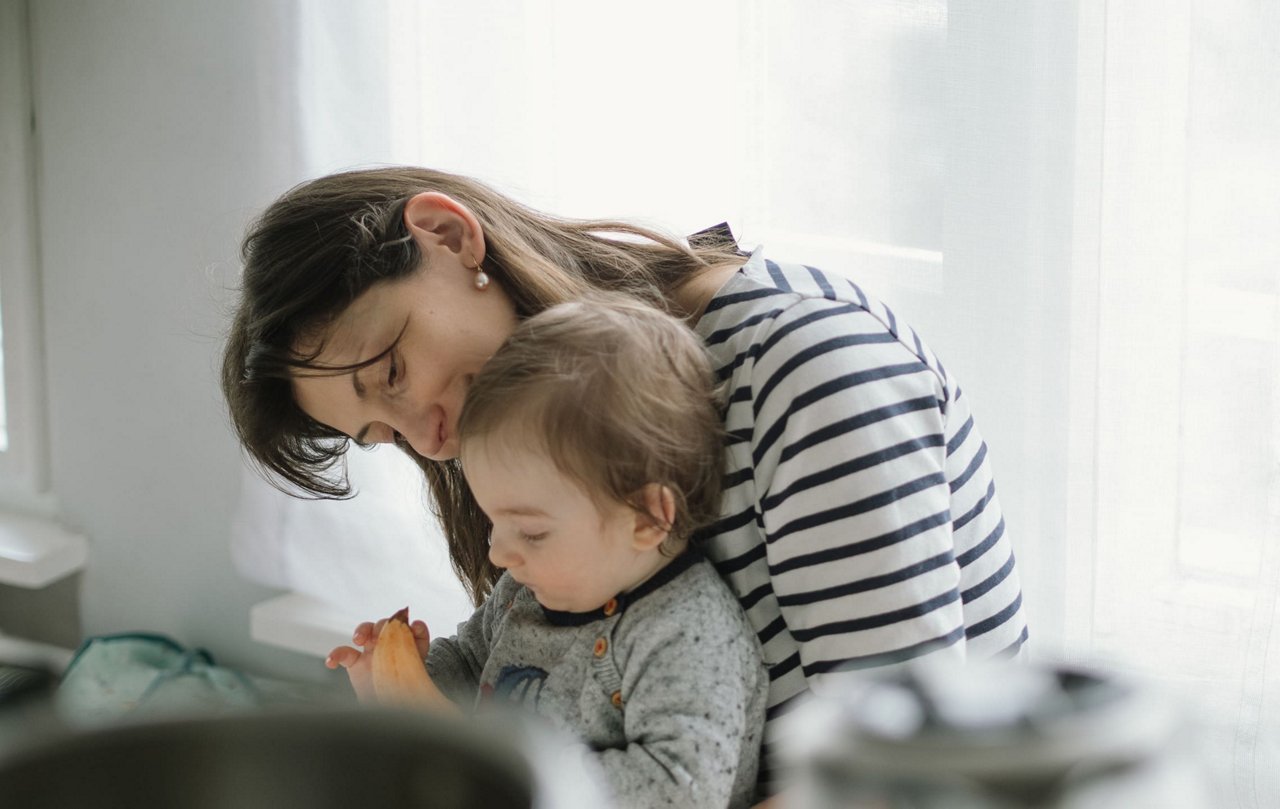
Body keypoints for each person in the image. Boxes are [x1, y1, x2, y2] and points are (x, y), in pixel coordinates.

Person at [222, 166, 1028, 791]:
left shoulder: (804, 371)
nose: (431, 440)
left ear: (448, 236)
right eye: (383, 434)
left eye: (393, 371)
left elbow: (891, 779)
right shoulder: (551, 446)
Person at [327, 298, 768, 809]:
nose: (498, 554)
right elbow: (473, 661)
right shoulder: (527, 592)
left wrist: (517, 766)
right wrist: (406, 678)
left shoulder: (687, 632)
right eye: (494, 522)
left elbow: (679, 788)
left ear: (647, 517)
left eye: (530, 532)